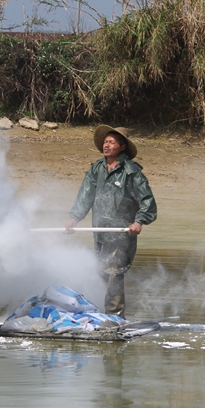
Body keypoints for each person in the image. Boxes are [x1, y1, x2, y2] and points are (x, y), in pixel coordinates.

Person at [64, 125, 157, 318]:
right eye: (105, 142)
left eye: (112, 142)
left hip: (122, 233)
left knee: (114, 272)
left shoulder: (131, 172)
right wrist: (75, 218)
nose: (107, 145)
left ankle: (115, 318)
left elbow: (147, 201)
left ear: (122, 147)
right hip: (100, 231)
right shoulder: (96, 168)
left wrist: (139, 221)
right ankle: (98, 314)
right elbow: (85, 195)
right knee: (100, 272)